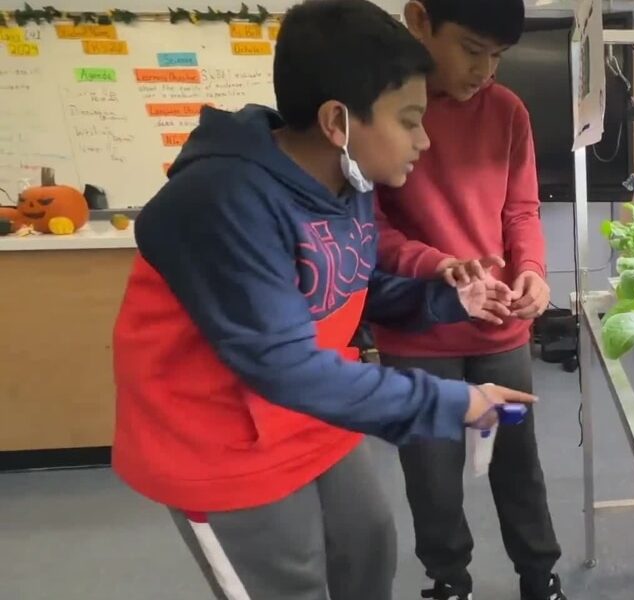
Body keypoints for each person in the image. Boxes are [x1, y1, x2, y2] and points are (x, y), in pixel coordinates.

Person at [109, 1, 535, 599]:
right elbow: (286, 367)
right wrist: (456, 402)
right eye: (409, 120)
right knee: (291, 584)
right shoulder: (222, 201)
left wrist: (446, 301)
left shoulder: (345, 180)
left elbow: (347, 287)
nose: (424, 139)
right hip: (221, 447)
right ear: (339, 121)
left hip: (313, 418)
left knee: (368, 553)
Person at [371, 1, 564, 599]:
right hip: (418, 334)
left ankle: (539, 575)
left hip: (500, 331)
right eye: (473, 50)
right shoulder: (379, 109)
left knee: (517, 461)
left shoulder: (506, 110)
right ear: (419, 20)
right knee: (431, 470)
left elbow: (521, 210)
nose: (486, 70)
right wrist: (438, 265)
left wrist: (532, 271)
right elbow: (367, 228)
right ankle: (449, 582)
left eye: (498, 56)